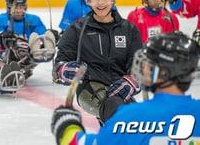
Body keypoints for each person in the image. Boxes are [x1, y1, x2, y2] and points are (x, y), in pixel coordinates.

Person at [51, 32, 200, 145]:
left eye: (149, 64)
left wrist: (67, 125)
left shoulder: (130, 117)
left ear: (164, 72)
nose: (142, 66)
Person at [53, 0, 142, 123]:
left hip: (118, 88)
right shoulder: (77, 30)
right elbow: (58, 65)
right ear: (88, 1)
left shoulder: (129, 30)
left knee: (136, 119)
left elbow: (140, 66)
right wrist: (63, 70)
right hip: (89, 88)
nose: (100, 3)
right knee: (117, 112)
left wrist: (132, 81)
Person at [0, 0, 56, 79]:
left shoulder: (34, 19)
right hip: (4, 55)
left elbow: (42, 36)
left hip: (26, 54)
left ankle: (25, 68)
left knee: (41, 43)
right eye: (15, 7)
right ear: (8, 7)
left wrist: (51, 36)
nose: (19, 11)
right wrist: (3, 36)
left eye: (22, 7)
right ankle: (4, 68)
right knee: (9, 42)